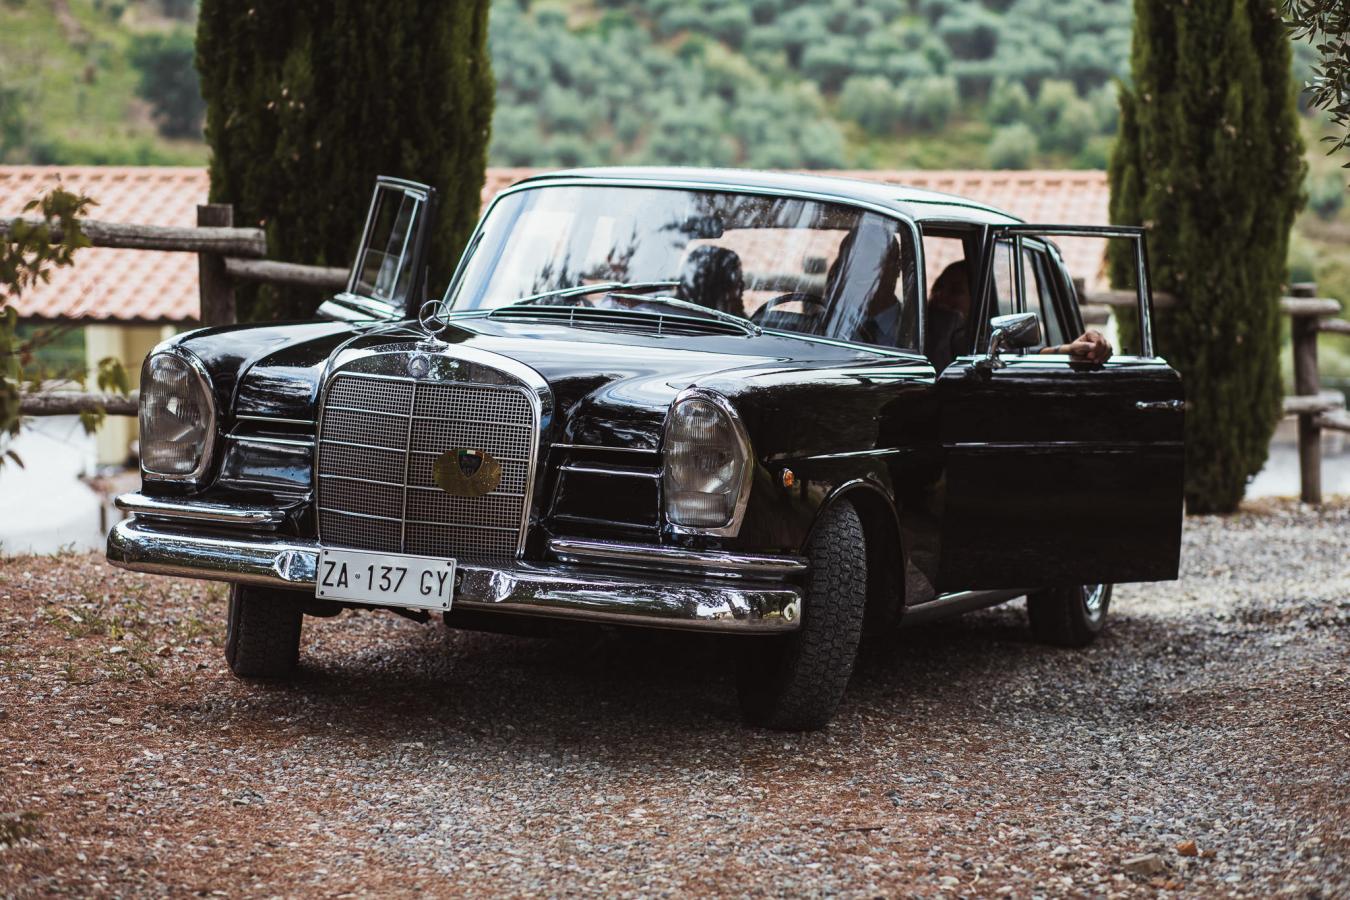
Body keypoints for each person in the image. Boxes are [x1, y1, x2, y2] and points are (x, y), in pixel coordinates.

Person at [925, 260, 1112, 370]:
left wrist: (1073, 350)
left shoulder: (984, 347)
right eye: (939, 287)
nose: (942, 295)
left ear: (979, 301)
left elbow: (1025, 355)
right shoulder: (911, 332)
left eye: (956, 291)